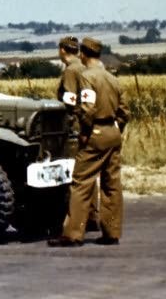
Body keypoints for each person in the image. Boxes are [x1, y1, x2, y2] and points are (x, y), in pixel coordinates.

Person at [49, 37, 127, 248]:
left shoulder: (87, 77)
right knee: (111, 185)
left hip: (95, 133)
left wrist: (85, 131)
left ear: (83, 54)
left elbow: (88, 108)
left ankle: (73, 234)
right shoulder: (112, 78)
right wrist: (115, 127)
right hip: (112, 132)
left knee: (81, 182)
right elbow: (124, 111)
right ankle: (111, 232)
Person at [55, 35, 83, 160]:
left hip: (75, 121)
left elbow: (70, 98)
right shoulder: (84, 66)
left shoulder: (71, 70)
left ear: (62, 50)